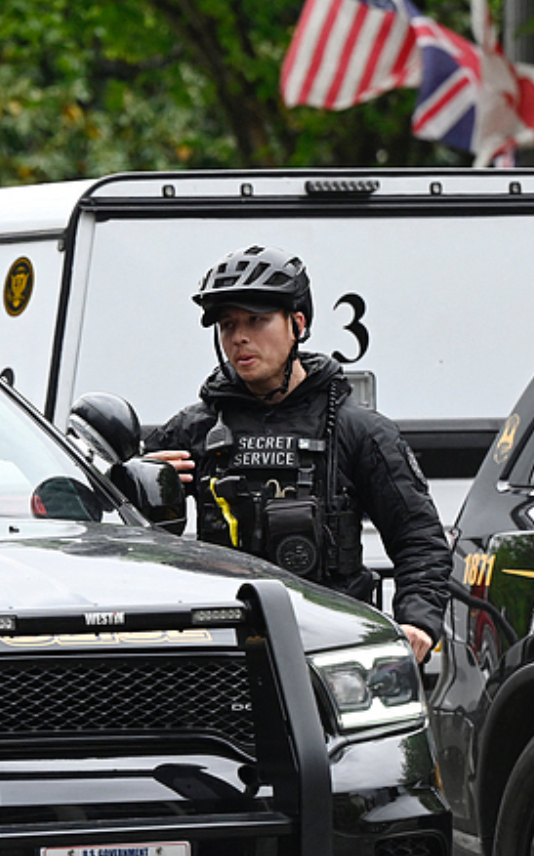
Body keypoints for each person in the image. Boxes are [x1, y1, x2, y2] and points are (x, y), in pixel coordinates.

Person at [145, 245, 446, 661]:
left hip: (332, 646)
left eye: (257, 320)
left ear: (297, 324)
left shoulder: (358, 429)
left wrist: (418, 622)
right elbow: (123, 539)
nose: (239, 338)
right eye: (228, 324)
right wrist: (139, 482)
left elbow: (419, 538)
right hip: (223, 648)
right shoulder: (192, 430)